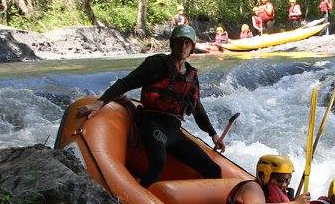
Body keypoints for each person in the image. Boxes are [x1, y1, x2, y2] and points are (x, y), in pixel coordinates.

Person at [77, 25, 225, 187]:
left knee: (214, 170)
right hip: (151, 122)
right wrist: (98, 104)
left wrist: (213, 134)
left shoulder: (191, 76)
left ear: (192, 47)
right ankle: (138, 194)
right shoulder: (156, 64)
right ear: (172, 44)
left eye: (187, 43)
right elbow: (126, 83)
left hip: (174, 132)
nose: (183, 47)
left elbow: (197, 109)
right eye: (179, 42)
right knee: (158, 162)